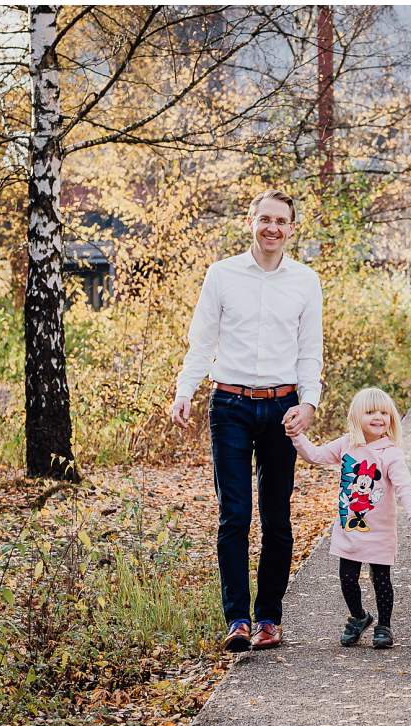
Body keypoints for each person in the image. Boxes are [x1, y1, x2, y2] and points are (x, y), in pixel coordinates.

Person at [169, 189, 322, 653]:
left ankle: (269, 618)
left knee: (276, 518)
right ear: (250, 221)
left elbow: (309, 350)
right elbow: (201, 340)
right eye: (265, 219)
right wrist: (184, 390)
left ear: (292, 228)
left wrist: (308, 404)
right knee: (234, 515)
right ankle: (237, 617)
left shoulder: (305, 280)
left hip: (282, 409)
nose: (272, 228)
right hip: (230, 406)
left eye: (282, 221)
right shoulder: (222, 275)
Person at [291, 387, 411, 649]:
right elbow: (315, 456)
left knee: (381, 579)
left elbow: (404, 486)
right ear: (356, 417)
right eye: (370, 412)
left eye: (384, 413)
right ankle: (359, 617)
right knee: (347, 579)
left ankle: (384, 625)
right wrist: (297, 436)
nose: (378, 417)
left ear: (391, 418)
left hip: (380, 532)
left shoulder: (390, 453)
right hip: (349, 528)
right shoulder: (347, 444)